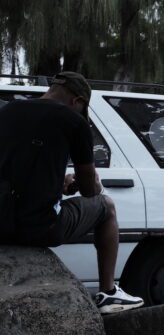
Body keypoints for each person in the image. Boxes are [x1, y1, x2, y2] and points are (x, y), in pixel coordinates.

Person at [0, 71, 143, 313]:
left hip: (2, 224)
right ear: (77, 101)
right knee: (106, 206)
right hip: (41, 228)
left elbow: (17, 173)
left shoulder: (6, 112)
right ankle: (109, 293)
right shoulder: (74, 122)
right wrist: (92, 182)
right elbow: (89, 191)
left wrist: (60, 182)